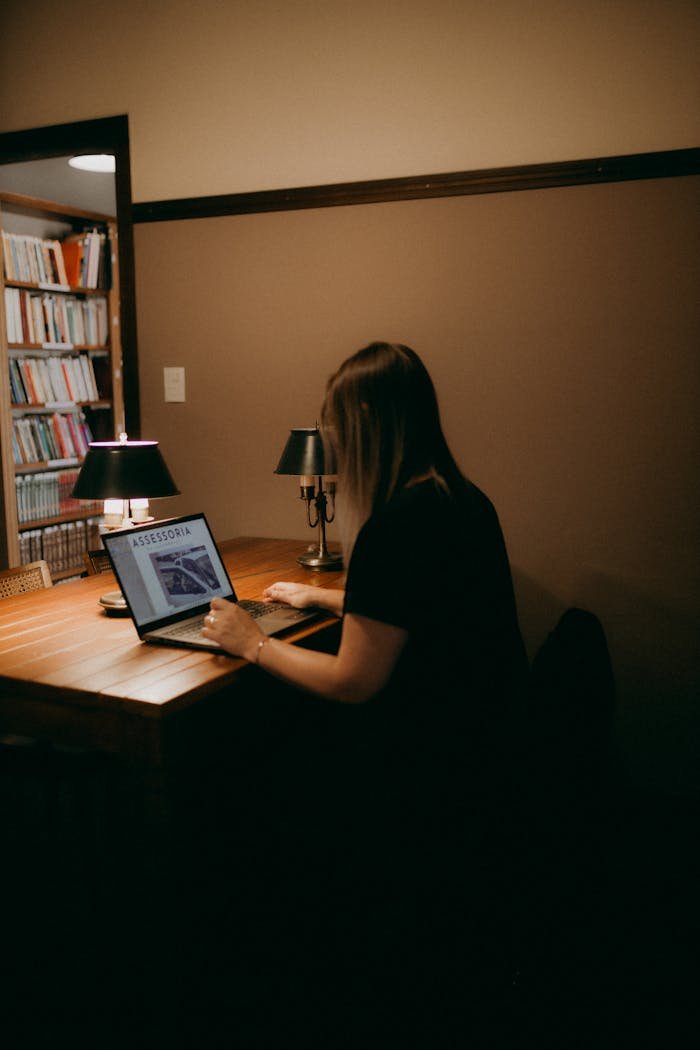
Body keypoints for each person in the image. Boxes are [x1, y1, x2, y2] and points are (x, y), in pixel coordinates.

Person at [202, 341, 528, 1039]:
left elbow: (355, 681)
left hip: (429, 770)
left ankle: (257, 954)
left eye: (340, 424)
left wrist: (250, 643)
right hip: (484, 743)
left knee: (259, 746)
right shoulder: (457, 499)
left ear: (372, 418)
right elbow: (423, 609)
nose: (337, 444)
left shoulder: (396, 526)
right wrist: (326, 600)